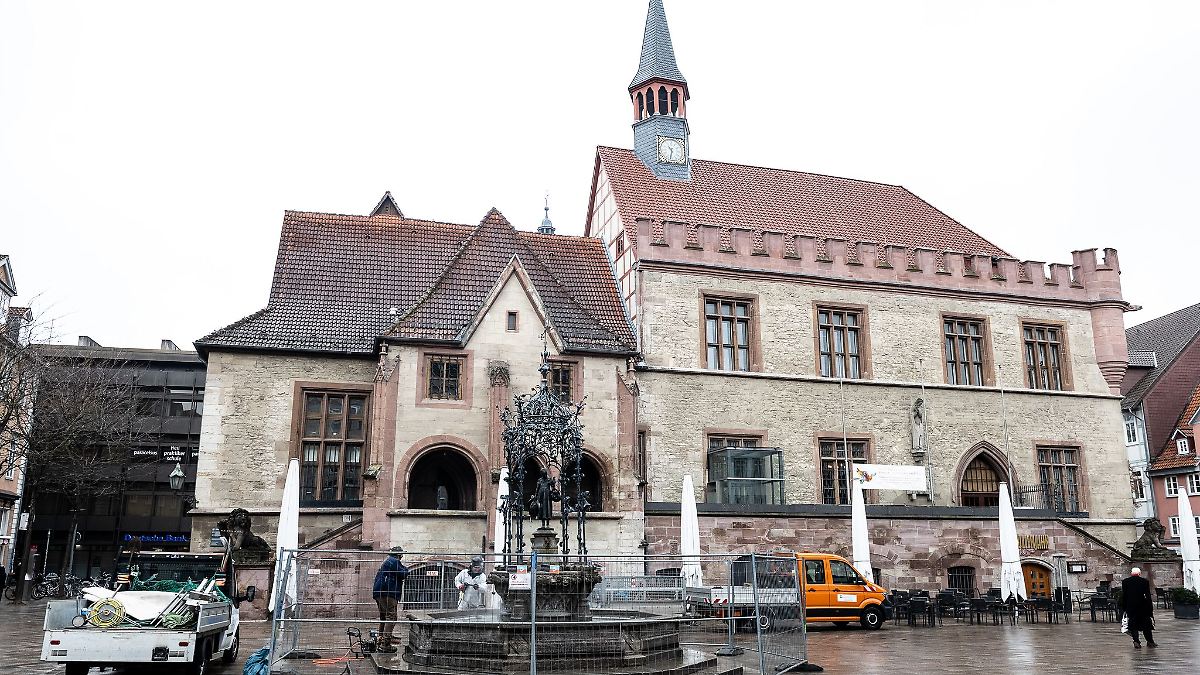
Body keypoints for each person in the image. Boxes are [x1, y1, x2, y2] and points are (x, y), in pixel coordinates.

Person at [371, 546, 409, 653]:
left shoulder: (387, 561)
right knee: (391, 616)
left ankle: (381, 639)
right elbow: (404, 573)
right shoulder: (394, 561)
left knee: (384, 616)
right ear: (398, 555)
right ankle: (385, 644)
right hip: (388, 592)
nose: (402, 557)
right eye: (401, 554)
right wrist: (406, 569)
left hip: (379, 592)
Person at [1120, 567, 1156, 648]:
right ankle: (1150, 641)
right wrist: (1150, 609)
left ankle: (1136, 641)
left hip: (1131, 607)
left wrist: (1124, 607)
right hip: (1143, 607)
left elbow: (1124, 596)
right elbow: (1147, 596)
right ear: (1139, 574)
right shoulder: (1144, 582)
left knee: (1133, 625)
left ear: (1131, 574)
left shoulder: (1125, 582)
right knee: (1146, 625)